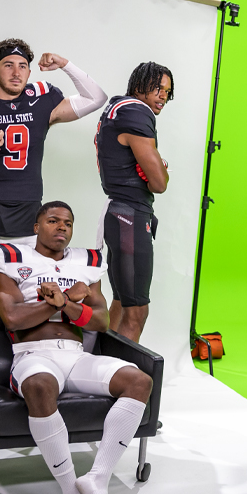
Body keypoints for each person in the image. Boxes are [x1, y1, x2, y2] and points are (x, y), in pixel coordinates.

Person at [0, 38, 108, 427]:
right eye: (8, 65)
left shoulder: (41, 101)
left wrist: (66, 64)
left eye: (23, 66)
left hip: (28, 237)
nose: (16, 72)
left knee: (32, 308)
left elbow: (96, 97)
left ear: (30, 71)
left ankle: (25, 383)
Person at [0, 201, 153, 494]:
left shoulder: (86, 263)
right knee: (38, 386)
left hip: (76, 355)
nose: (62, 227)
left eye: (68, 223)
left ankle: (97, 479)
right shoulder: (10, 257)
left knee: (139, 381)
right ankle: (70, 490)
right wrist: (62, 303)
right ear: (36, 227)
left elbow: (102, 321)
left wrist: (64, 303)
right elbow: (13, 318)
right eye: (53, 220)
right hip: (33, 354)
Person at [92, 62, 173, 342]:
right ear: (139, 86)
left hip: (117, 213)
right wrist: (160, 169)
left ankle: (101, 364)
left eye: (167, 91)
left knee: (121, 302)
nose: (163, 96)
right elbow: (159, 184)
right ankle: (125, 369)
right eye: (157, 88)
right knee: (136, 311)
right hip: (130, 216)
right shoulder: (136, 112)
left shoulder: (117, 108)